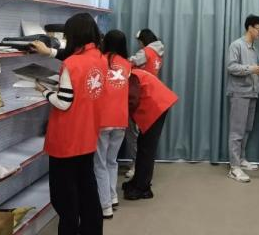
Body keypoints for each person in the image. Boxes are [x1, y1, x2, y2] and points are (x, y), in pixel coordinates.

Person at [35, 13, 105, 235]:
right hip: (88, 134)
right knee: (87, 189)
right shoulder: (100, 58)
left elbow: (64, 103)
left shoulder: (71, 63)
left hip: (66, 139)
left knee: (64, 196)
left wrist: (44, 91)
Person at [226, 14, 259, 183]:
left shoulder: (254, 49)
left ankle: (241, 159)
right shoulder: (236, 45)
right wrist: (250, 69)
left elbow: (257, 70)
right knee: (237, 131)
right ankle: (234, 167)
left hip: (253, 93)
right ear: (250, 28)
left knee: (247, 129)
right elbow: (231, 67)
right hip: (239, 92)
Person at [121, 67, 178, 200]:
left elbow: (132, 101)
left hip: (156, 106)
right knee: (143, 144)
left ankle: (143, 188)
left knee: (147, 148)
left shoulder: (131, 76)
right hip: (158, 103)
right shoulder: (133, 73)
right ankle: (138, 181)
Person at [95, 30, 130, 220]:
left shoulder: (99, 60)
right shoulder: (127, 64)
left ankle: (105, 205)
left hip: (102, 119)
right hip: (121, 119)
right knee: (112, 161)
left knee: (99, 164)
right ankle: (113, 196)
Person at [123, 28, 165, 179]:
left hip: (138, 93)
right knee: (143, 133)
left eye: (139, 41)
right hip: (150, 94)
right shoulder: (158, 52)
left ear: (143, 40)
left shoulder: (145, 52)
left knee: (133, 133)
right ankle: (142, 163)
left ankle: (136, 164)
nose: (139, 44)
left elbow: (128, 63)